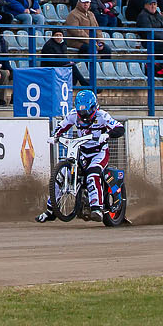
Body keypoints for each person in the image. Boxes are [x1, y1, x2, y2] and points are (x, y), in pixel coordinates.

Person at [47, 86, 127, 225]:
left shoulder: (102, 116)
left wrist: (107, 135)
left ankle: (97, 208)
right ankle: (51, 208)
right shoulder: (73, 115)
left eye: (87, 112)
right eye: (81, 112)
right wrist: (55, 136)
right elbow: (61, 126)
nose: (84, 116)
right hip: (82, 152)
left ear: (94, 107)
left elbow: (119, 128)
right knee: (64, 174)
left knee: (92, 174)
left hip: (99, 152)